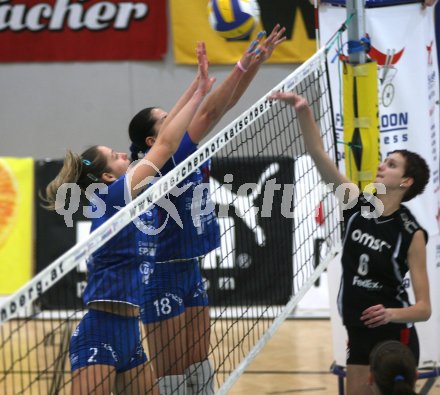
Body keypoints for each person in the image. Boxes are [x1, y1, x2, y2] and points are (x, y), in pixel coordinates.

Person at [41, 42, 215, 395]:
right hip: (99, 333)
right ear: (107, 176)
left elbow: (164, 137)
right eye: (115, 155)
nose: (124, 154)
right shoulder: (115, 195)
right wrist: (197, 92)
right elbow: (164, 144)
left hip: (130, 334)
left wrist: (197, 87)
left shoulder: (123, 198)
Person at [128, 25, 287, 395]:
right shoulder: (168, 158)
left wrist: (251, 67)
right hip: (162, 274)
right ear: (153, 140)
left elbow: (220, 105)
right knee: (173, 375)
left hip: (189, 267)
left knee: (200, 367)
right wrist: (244, 66)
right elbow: (214, 108)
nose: (178, 122)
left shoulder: (183, 151)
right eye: (167, 120)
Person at [267, 91, 431, 395]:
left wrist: (391, 313)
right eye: (384, 161)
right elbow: (317, 153)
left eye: (392, 165)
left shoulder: (412, 232)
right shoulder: (355, 205)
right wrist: (303, 109)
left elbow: (423, 309)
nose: (383, 166)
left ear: (405, 182)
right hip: (358, 330)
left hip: (395, 335)